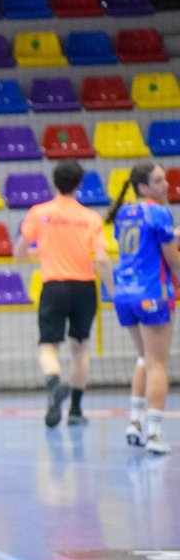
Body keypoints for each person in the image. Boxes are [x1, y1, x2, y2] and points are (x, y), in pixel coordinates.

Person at [15, 160, 115, 428]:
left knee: (48, 344)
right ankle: (75, 410)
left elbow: (20, 251)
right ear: (79, 185)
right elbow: (103, 260)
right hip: (84, 287)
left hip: (54, 285)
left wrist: (41, 251)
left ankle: (54, 382)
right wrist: (114, 291)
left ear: (54, 182)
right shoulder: (91, 218)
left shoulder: (40, 213)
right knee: (80, 348)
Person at [105, 163, 180, 456]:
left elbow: (145, 246)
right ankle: (154, 433)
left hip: (125, 294)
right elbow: (172, 260)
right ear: (144, 187)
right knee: (158, 363)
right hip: (152, 293)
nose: (166, 185)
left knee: (144, 358)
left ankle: (135, 423)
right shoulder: (158, 212)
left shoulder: (124, 212)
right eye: (159, 181)